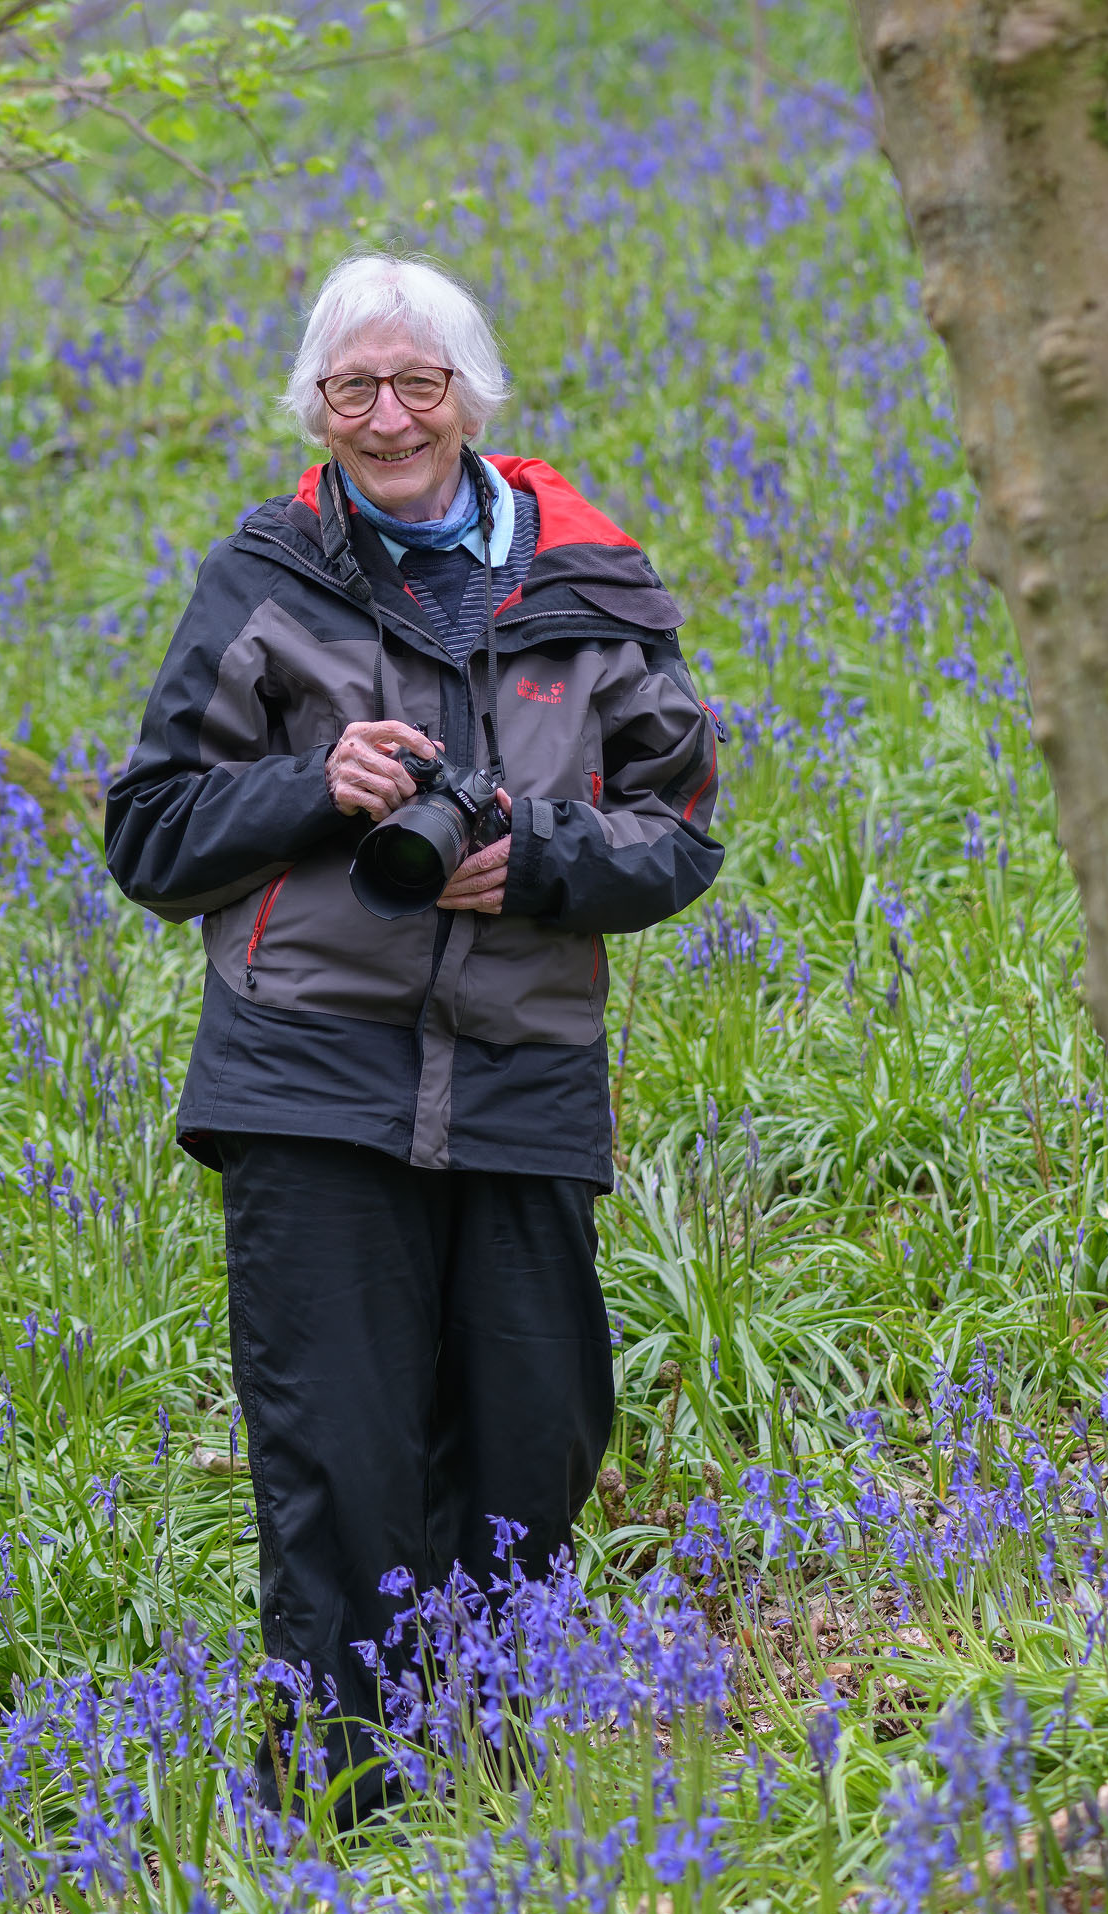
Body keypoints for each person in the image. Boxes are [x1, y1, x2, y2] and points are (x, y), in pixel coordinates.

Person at [103, 251, 724, 1818]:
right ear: (315, 405)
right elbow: (152, 833)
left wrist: (545, 862)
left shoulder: (590, 583)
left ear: (471, 397)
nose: (388, 417)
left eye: (419, 383)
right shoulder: (266, 580)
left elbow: (682, 826)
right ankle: (340, 1803)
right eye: (354, 387)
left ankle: (490, 1780)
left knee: (535, 1434)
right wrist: (318, 788)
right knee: (342, 1452)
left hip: (523, 1072)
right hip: (306, 1074)